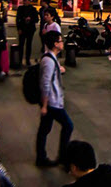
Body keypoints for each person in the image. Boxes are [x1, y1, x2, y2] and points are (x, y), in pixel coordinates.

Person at [36, 30, 74, 167]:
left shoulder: (51, 58)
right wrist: (45, 105)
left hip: (52, 101)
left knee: (44, 129)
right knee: (68, 126)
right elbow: (45, 84)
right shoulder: (49, 61)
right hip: (52, 102)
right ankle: (62, 157)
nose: (62, 43)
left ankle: (41, 157)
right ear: (55, 44)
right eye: (60, 41)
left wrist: (60, 69)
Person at [16, 0, 40, 67]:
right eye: (24, 0)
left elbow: (37, 19)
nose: (24, 2)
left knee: (29, 45)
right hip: (22, 28)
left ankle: (27, 59)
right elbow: (17, 19)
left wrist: (30, 19)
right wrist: (19, 28)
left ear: (29, 1)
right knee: (21, 45)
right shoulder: (20, 9)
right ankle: (20, 60)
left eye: (26, 0)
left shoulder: (33, 9)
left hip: (30, 29)